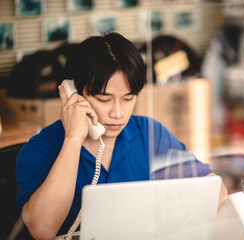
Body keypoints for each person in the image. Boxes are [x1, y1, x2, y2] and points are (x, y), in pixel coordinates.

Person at [15, 32, 228, 240]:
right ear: (73, 93)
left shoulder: (149, 133)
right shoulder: (39, 150)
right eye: (104, 99)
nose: (118, 113)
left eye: (127, 99)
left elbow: (215, 189)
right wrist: (73, 140)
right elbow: (42, 230)